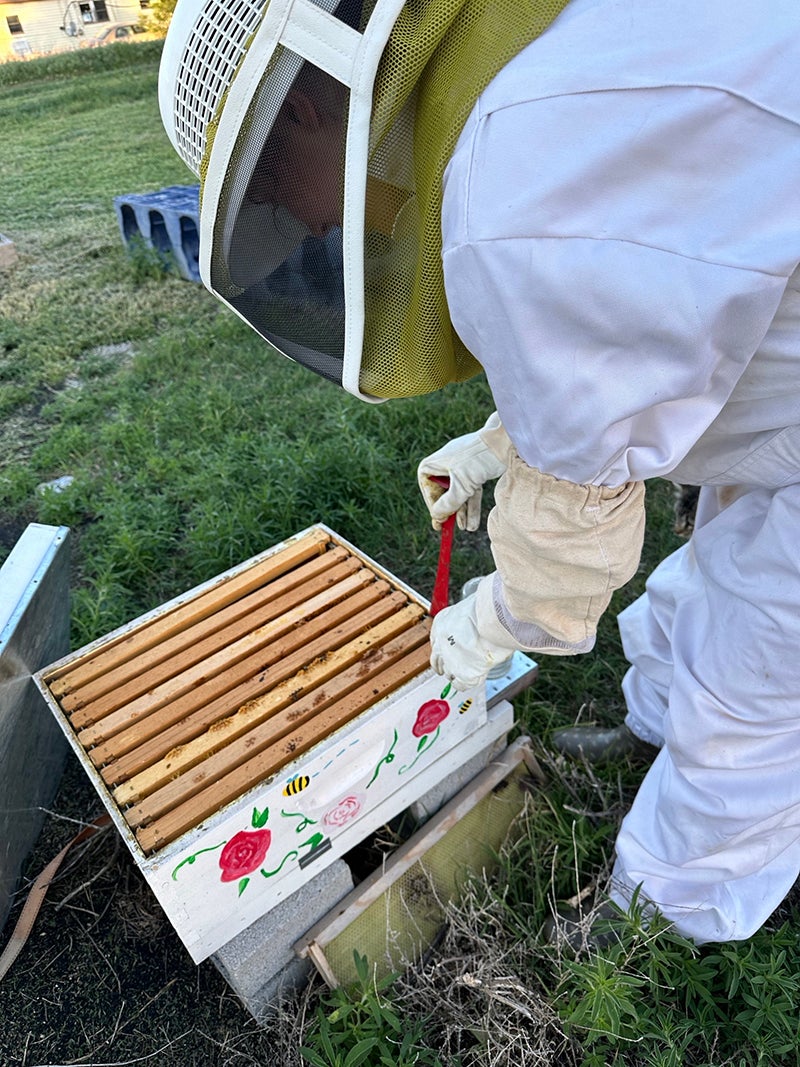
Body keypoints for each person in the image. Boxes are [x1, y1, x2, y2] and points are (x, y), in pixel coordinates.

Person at [417, 0, 800, 945]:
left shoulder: (511, 189)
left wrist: (495, 617)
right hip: (781, 373)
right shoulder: (566, 82)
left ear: (309, 112)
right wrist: (497, 446)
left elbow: (563, 585)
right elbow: (630, 320)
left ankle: (662, 917)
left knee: (756, 672)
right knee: (714, 575)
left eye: (270, 192)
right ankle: (653, 724)